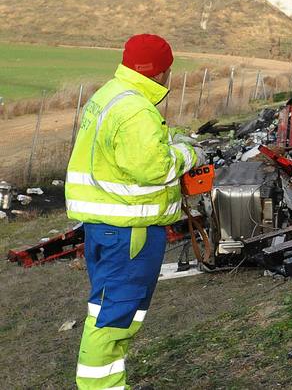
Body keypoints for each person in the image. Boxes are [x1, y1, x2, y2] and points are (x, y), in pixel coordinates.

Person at [65, 33, 200, 390]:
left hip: (106, 227)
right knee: (114, 318)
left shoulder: (110, 94)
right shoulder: (137, 109)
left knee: (114, 312)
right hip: (129, 231)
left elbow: (125, 151)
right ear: (160, 73)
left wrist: (169, 138)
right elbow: (153, 168)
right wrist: (190, 155)